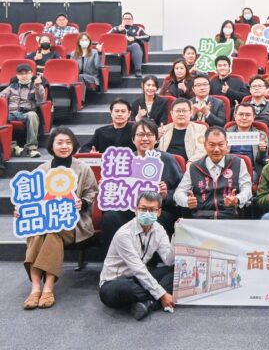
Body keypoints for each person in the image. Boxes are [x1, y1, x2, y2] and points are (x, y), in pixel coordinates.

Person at [20, 127, 98, 310]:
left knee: (52, 230)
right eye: (60, 142)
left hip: (74, 223)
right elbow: (31, 198)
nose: (64, 146)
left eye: (68, 143)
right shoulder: (42, 169)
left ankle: (45, 287)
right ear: (52, 145)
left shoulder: (83, 168)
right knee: (40, 232)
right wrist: (22, 210)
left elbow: (92, 193)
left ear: (74, 145)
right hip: (46, 221)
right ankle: (38, 287)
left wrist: (82, 203)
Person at [100, 119, 183, 247]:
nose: (145, 138)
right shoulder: (124, 162)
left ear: (156, 139)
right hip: (129, 210)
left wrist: (166, 195)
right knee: (110, 217)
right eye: (140, 135)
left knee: (153, 219)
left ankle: (150, 258)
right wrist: (107, 187)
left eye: (149, 135)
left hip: (157, 211)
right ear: (133, 139)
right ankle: (117, 257)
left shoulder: (168, 160)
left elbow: (181, 193)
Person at [99, 191, 175, 321]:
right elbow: (138, 269)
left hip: (138, 279)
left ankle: (149, 304)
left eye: (152, 210)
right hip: (115, 282)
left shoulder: (159, 230)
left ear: (159, 212)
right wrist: (162, 294)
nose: (147, 213)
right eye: (143, 209)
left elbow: (168, 261)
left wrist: (176, 237)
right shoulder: (124, 234)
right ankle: (156, 299)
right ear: (136, 210)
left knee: (175, 271)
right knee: (127, 288)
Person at [174, 126, 252, 219]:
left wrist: (237, 199)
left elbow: (247, 189)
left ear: (227, 145)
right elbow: (178, 193)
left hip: (230, 217)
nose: (216, 149)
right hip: (201, 218)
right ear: (204, 145)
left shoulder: (238, 163)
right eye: (212, 145)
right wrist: (187, 201)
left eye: (221, 144)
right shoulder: (194, 167)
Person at [0, 64, 45, 157]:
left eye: (26, 73)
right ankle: (13, 147)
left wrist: (37, 86)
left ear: (31, 74)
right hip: (11, 114)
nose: (24, 76)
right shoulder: (12, 87)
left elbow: (41, 100)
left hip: (26, 113)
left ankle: (31, 148)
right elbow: (1, 97)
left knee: (32, 115)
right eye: (21, 74)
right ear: (17, 75)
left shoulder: (36, 86)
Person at [226, 103, 267, 181]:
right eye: (241, 114)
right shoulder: (226, 133)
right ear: (235, 116)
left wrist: (262, 151)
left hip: (251, 169)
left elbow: (262, 161)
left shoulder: (261, 135)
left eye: (248, 115)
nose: (244, 118)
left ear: (253, 117)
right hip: (229, 168)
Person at [157, 98, 207, 162]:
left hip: (190, 164)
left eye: (184, 111)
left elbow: (201, 151)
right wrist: (157, 139)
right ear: (171, 113)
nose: (181, 114)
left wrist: (191, 162)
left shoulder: (200, 129)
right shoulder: (162, 130)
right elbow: (154, 152)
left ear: (190, 113)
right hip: (166, 164)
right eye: (178, 111)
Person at [109, 12, 149, 76]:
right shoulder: (116, 28)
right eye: (125, 19)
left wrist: (134, 38)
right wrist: (117, 30)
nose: (127, 20)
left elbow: (147, 37)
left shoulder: (138, 29)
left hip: (131, 46)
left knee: (135, 46)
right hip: (119, 48)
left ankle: (138, 70)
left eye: (129, 19)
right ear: (122, 20)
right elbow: (106, 36)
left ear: (132, 20)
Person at [247, 76, 269, 141]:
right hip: (247, 138)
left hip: (267, 139)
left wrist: (261, 135)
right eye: (254, 86)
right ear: (250, 90)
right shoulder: (243, 107)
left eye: (260, 86)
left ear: (265, 89)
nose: (256, 88)